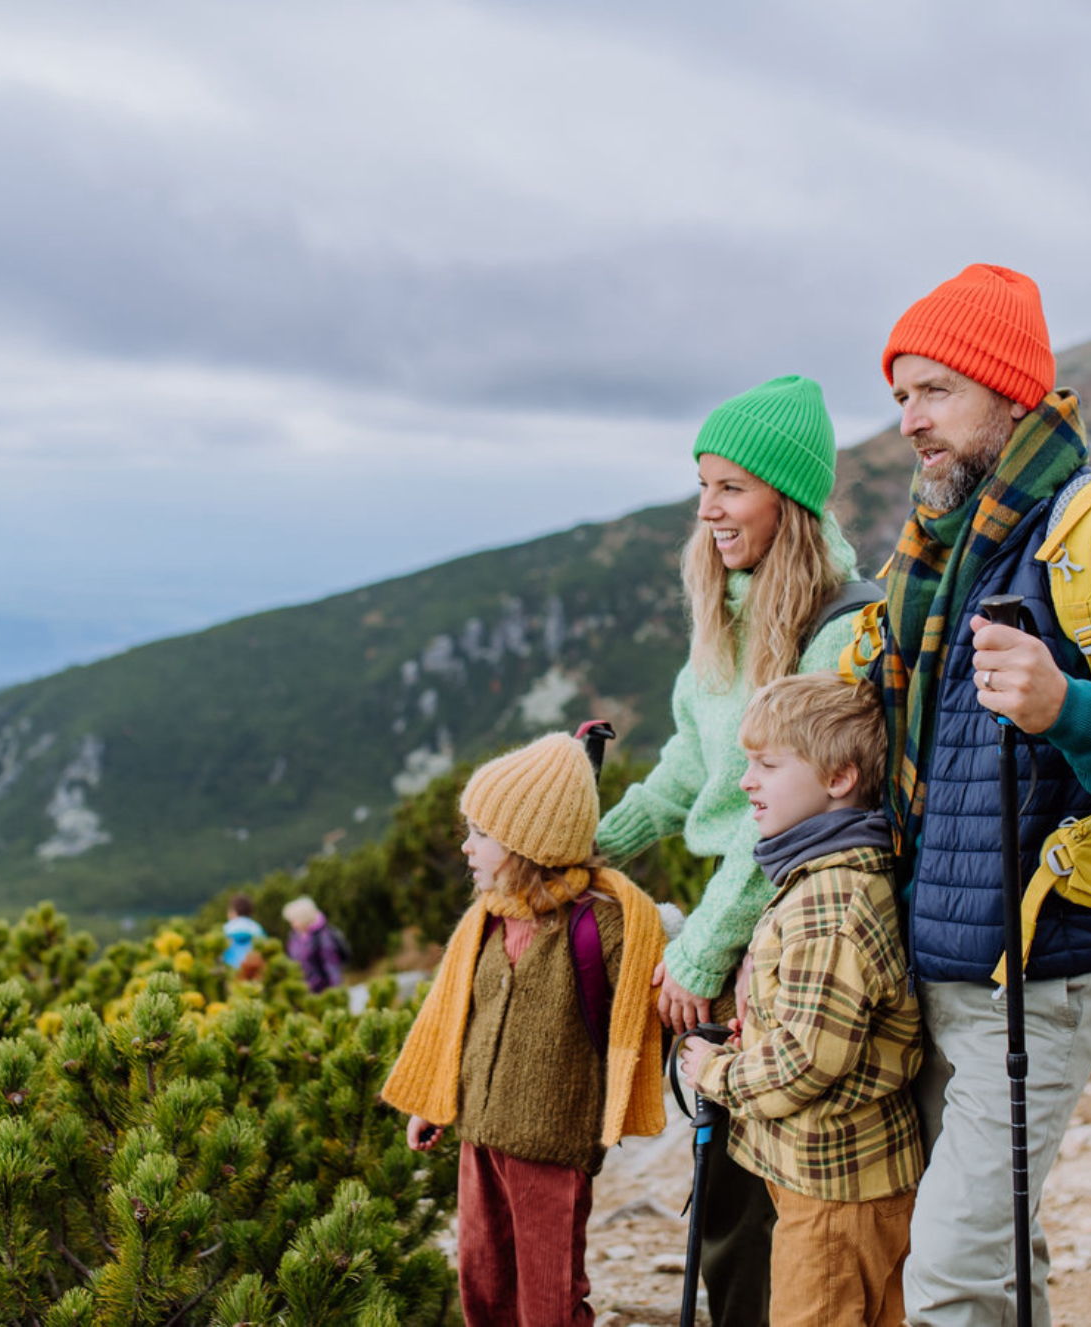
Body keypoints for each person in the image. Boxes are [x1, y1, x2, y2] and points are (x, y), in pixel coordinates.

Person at [869, 264, 1091, 1326]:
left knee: (947, 1279)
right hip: (945, 967)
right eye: (900, 396)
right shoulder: (950, 556)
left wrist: (1063, 708)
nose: (909, 421)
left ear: (1008, 390)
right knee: (997, 1262)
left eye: (934, 390)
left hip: (1038, 970)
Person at [595, 373, 869, 1325]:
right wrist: (592, 839)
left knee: (763, 1199)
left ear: (786, 501)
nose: (708, 510)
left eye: (732, 488)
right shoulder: (728, 610)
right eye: (702, 485)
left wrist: (706, 944)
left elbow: (784, 822)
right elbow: (689, 768)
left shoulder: (838, 632)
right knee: (728, 1200)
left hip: (800, 924)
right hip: (742, 914)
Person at [381, 732, 667, 1327]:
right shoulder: (486, 922)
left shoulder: (602, 927)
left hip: (553, 1146)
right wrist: (435, 1101)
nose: (466, 847)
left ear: (529, 844)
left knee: (549, 1296)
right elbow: (460, 1019)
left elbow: (658, 999)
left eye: (481, 834)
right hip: (480, 1137)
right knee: (483, 1284)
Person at [676, 672, 921, 1327]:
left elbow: (808, 1060)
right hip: (844, 1181)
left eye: (767, 764)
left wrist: (714, 1072)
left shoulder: (828, 899)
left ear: (839, 777)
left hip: (835, 1193)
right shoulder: (825, 877)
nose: (745, 780)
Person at [281, 895, 349, 993]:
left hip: (322, 992)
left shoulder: (323, 937)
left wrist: (336, 994)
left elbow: (332, 968)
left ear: (303, 919)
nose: (292, 924)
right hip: (305, 993)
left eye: (294, 920)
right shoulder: (294, 936)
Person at [221, 892, 267, 981]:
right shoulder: (257, 928)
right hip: (254, 971)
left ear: (233, 911)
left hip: (231, 972)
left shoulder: (226, 929)